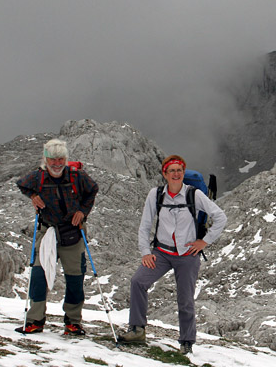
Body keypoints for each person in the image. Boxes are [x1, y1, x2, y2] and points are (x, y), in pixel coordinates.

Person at [119, 155, 226, 354]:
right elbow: (145, 225)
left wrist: (204, 242)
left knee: (185, 299)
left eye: (179, 170)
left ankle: (186, 341)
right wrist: (145, 252)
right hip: (161, 252)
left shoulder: (194, 195)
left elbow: (220, 217)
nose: (176, 174)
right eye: (172, 171)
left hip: (187, 254)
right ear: (165, 174)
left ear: (183, 173)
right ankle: (136, 329)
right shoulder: (156, 194)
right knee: (138, 281)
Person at [15, 138, 98, 336]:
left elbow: (92, 190)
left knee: (75, 277)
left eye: (60, 159)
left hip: (73, 232)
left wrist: (83, 211)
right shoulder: (37, 177)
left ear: (66, 159)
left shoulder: (77, 176)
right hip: (47, 232)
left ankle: (73, 321)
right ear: (46, 159)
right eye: (52, 159)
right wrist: (33, 197)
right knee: (38, 275)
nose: (57, 163)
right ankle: (35, 320)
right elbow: (22, 185)